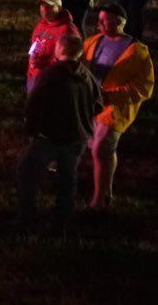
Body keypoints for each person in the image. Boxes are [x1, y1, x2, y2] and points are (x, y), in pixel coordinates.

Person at [17, 34, 100, 233]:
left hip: (50, 137)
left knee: (26, 171)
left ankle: (27, 218)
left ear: (59, 49)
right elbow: (98, 105)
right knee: (67, 178)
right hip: (77, 138)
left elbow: (33, 105)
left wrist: (32, 128)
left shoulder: (50, 75)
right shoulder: (87, 76)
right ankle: (60, 221)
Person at [81, 5, 154, 210]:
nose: (99, 24)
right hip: (92, 105)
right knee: (94, 148)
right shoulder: (93, 42)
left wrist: (113, 95)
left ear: (121, 22)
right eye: (100, 19)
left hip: (115, 109)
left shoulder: (137, 52)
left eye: (106, 20)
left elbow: (144, 88)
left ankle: (98, 201)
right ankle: (106, 191)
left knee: (101, 148)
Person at [26, 0, 77, 92]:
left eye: (49, 6)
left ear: (59, 8)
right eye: (42, 5)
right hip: (34, 76)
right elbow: (34, 45)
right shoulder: (40, 25)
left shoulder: (67, 29)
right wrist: (32, 58)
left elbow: (70, 58)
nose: (44, 9)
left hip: (51, 80)